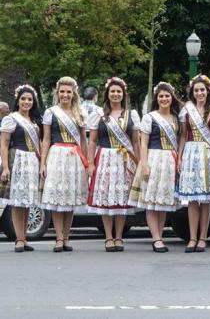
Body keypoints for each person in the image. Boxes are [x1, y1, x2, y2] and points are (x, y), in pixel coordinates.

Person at [86, 77, 140, 252]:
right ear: (107, 94)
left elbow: (136, 142)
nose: (116, 94)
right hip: (105, 158)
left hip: (125, 160)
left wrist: (139, 162)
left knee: (121, 199)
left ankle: (119, 236)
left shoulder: (131, 115)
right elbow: (92, 141)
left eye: (118, 91)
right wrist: (90, 162)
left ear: (123, 94)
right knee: (106, 199)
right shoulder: (99, 115)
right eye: (112, 91)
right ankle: (108, 236)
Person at [129, 82, 181, 253]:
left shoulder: (176, 117)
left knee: (163, 200)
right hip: (153, 158)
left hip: (169, 160)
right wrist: (144, 164)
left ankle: (160, 236)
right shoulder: (150, 117)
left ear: (171, 98)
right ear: (156, 99)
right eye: (161, 96)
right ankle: (156, 238)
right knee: (151, 201)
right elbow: (143, 143)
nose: (164, 99)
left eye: (167, 96)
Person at [40, 77, 89, 252]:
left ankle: (66, 237)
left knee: (70, 198)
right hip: (57, 155)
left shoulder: (80, 113)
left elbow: (84, 141)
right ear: (57, 93)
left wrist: (87, 162)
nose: (65, 95)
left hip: (75, 157)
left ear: (73, 93)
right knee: (57, 198)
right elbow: (45, 139)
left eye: (68, 92)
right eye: (62, 92)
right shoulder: (51, 112)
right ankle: (58, 238)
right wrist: (43, 162)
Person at [178, 74, 210, 253]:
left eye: (202, 90)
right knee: (193, 199)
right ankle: (192, 237)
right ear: (192, 92)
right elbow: (182, 135)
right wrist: (179, 157)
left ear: (207, 91)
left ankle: (203, 238)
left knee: (206, 200)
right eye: (196, 90)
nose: (200, 93)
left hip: (208, 154)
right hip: (190, 152)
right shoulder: (187, 109)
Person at [0, 85, 43, 252]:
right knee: (18, 201)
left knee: (27, 201)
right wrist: (5, 168)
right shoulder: (11, 119)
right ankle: (18, 239)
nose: (26, 102)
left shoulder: (34, 121)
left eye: (29, 99)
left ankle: (23, 237)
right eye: (23, 99)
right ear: (18, 101)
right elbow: (3, 144)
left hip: (32, 160)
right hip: (17, 159)